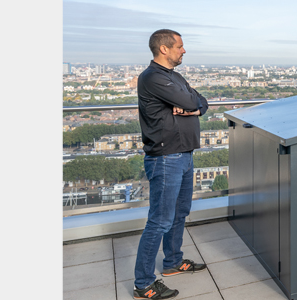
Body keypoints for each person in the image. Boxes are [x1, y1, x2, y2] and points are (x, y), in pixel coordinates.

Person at [132, 29, 209, 299]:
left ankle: (173, 262)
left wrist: (193, 106)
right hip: (166, 158)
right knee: (160, 221)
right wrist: (189, 104)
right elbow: (190, 100)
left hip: (184, 153)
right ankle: (143, 284)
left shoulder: (174, 77)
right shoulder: (153, 77)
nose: (184, 50)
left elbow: (202, 102)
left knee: (179, 213)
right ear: (164, 49)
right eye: (180, 46)